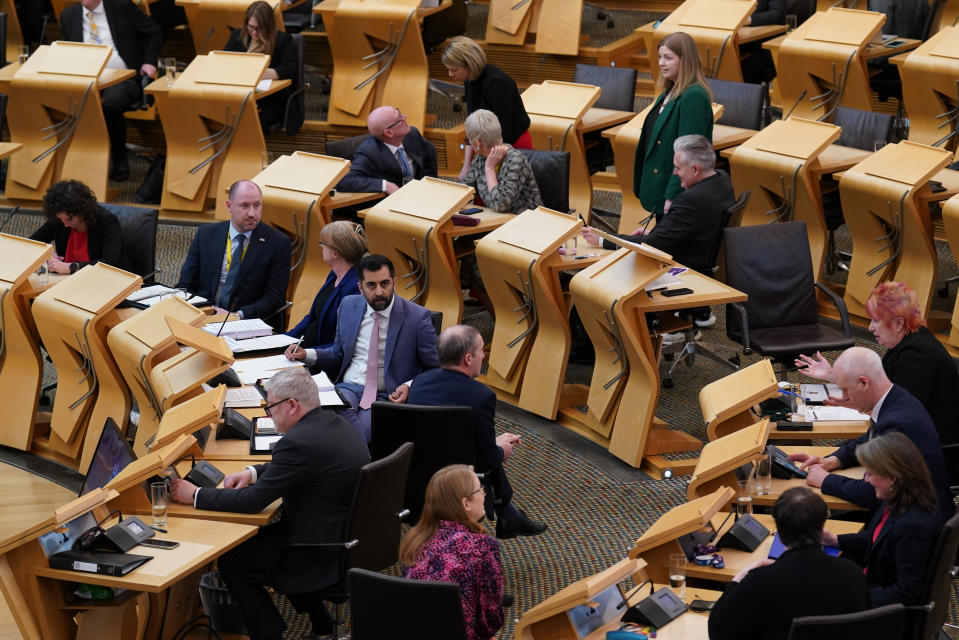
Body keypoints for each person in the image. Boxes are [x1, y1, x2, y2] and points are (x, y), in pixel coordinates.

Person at [169, 367, 370, 640]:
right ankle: (322, 624)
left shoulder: (298, 443)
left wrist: (194, 495)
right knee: (257, 542)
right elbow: (296, 466)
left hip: (315, 551)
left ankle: (269, 634)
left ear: (291, 405)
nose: (267, 414)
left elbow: (252, 501)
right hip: (343, 540)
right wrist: (252, 473)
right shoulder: (335, 423)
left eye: (271, 406)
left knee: (232, 561)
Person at [796, 281, 959, 481]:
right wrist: (836, 376)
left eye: (875, 320)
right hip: (906, 448)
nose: (870, 327)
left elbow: (893, 424)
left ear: (898, 323)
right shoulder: (910, 343)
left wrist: (860, 406)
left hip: (930, 463)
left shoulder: (917, 359)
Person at [584, 135, 731, 339]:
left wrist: (602, 238)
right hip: (699, 254)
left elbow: (653, 246)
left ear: (696, 169)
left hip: (680, 267)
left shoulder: (692, 200)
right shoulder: (722, 179)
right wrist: (657, 232)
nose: (674, 172)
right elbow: (679, 229)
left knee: (600, 273)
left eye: (678, 168)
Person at [408, 325, 548, 539]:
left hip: (416, 476)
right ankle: (507, 512)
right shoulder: (482, 396)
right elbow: (486, 459)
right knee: (494, 454)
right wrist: (501, 450)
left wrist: (494, 442)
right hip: (457, 482)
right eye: (481, 350)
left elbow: (444, 436)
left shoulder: (418, 384)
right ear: (467, 358)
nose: (484, 355)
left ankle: (508, 514)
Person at [788, 346, 954, 519]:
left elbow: (869, 493)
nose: (844, 396)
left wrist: (825, 480)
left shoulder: (896, 423)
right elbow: (869, 439)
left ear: (864, 383)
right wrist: (832, 460)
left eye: (845, 389)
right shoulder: (896, 398)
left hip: (913, 524)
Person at [309, 253, 440, 442]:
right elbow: (338, 353)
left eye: (385, 284)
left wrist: (409, 386)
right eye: (371, 285)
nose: (379, 291)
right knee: (320, 423)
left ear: (394, 282)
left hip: (387, 396)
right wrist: (307, 355)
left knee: (358, 434)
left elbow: (437, 367)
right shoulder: (348, 305)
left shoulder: (417, 318)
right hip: (348, 388)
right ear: (360, 288)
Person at [708, 487, 869, 640]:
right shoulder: (853, 573)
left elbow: (718, 632)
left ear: (779, 529)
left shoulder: (761, 581)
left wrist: (738, 579)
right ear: (822, 526)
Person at [824, 432, 942, 606]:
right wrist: (835, 540)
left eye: (870, 474)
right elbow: (878, 540)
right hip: (870, 584)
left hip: (878, 612)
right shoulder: (896, 499)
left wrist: (852, 601)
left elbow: (907, 593)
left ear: (892, 478)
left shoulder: (913, 526)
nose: (866, 480)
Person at [60, 0, 162, 182]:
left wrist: (149, 61)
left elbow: (154, 32)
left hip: (123, 78)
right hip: (87, 79)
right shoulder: (69, 16)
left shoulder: (121, 7)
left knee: (110, 104)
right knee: (66, 100)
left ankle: (118, 154)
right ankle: (80, 159)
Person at [400, 465, 505, 640]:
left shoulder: (413, 543)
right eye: (481, 489)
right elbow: (490, 622)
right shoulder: (482, 547)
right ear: (466, 503)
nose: (484, 494)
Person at [176, 180, 292, 323]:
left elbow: (274, 298)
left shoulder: (278, 243)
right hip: (202, 315)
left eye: (257, 205)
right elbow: (185, 284)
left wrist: (237, 316)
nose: (252, 213)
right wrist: (197, 310)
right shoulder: (206, 234)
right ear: (229, 206)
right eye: (244, 205)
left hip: (243, 322)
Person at [635, 32, 713, 220]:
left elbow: (689, 155)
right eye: (660, 57)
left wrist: (672, 196)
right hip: (660, 190)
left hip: (675, 195)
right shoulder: (670, 91)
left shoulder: (693, 97)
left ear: (685, 61)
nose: (661, 63)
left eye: (668, 58)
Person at [442, 36, 532, 181]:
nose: (450, 74)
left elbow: (505, 133)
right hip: (486, 146)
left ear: (469, 65)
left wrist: (487, 165)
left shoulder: (498, 84)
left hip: (511, 145)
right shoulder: (470, 79)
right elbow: (472, 124)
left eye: (454, 70)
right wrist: (466, 165)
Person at [284, 221, 367, 358]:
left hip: (322, 360)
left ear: (335, 253)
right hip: (303, 351)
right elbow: (313, 317)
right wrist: (285, 339)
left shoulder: (356, 288)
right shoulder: (334, 274)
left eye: (323, 244)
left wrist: (307, 354)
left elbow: (342, 344)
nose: (321, 247)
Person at [223, 1, 297, 131]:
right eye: (251, 27)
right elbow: (223, 61)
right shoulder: (237, 36)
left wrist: (262, 73)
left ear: (269, 26)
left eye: (260, 28)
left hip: (268, 100)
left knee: (242, 119)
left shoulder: (283, 40)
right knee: (217, 113)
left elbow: (290, 69)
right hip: (236, 95)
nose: (255, 33)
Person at [335, 105, 438, 195]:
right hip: (390, 204)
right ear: (389, 133)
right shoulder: (369, 152)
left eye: (400, 114)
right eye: (399, 119)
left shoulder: (412, 134)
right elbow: (345, 181)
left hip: (417, 194)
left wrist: (426, 185)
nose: (405, 117)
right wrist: (386, 185)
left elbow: (429, 155)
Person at [30, 179, 123, 274]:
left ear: (82, 211)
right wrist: (46, 253)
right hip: (65, 279)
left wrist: (72, 267)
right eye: (62, 219)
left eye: (69, 219)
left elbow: (110, 264)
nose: (65, 224)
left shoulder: (107, 221)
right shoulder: (59, 219)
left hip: (101, 279)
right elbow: (31, 243)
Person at [460, 109, 542, 214]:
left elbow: (500, 205)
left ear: (476, 143)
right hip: (499, 223)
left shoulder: (515, 161)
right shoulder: (480, 158)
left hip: (527, 224)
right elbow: (466, 190)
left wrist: (489, 169)